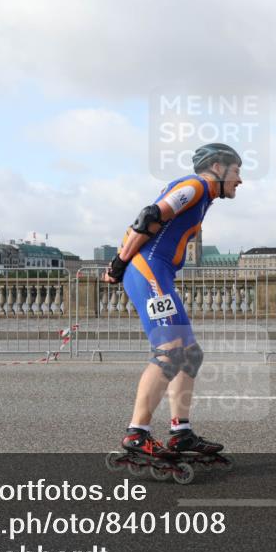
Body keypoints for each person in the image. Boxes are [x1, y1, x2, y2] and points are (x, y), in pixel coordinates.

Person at [103, 143, 243, 467]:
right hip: (149, 271)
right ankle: (137, 432)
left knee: (190, 353)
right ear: (218, 168)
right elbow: (149, 216)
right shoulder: (195, 186)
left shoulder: (202, 194)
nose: (240, 180)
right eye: (236, 171)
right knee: (170, 351)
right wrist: (119, 262)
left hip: (158, 272)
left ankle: (181, 432)